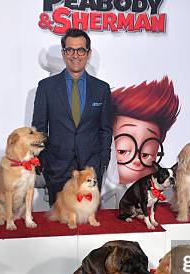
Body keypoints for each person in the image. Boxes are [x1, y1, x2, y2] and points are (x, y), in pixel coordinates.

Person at [32, 28, 112, 206]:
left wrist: (102, 163)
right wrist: (44, 161)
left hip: (90, 170)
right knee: (60, 227)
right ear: (63, 53)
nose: (75, 55)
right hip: (57, 168)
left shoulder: (102, 89)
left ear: (88, 54)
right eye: (70, 50)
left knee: (89, 224)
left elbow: (105, 130)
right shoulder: (46, 87)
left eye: (81, 50)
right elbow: (38, 129)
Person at [102, 77, 180, 208]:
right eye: (123, 151)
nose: (137, 161)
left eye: (146, 154)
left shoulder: (164, 191)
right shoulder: (99, 189)